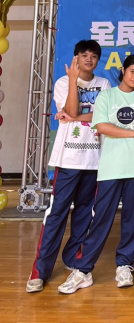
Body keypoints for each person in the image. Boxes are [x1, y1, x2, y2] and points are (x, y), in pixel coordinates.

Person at [57, 55, 134, 294]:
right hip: (112, 166)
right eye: (132, 71)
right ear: (123, 70)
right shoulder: (107, 96)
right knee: (101, 218)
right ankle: (83, 269)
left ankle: (124, 265)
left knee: (133, 219)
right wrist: (133, 133)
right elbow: (102, 126)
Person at [26, 40, 110, 293]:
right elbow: (71, 108)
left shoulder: (104, 84)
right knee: (56, 213)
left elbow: (102, 116)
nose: (89, 59)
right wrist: (74, 81)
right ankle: (40, 271)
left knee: (85, 213)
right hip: (68, 159)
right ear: (76, 58)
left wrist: (74, 117)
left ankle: (73, 258)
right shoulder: (64, 82)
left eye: (93, 56)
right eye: (84, 55)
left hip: (95, 160)